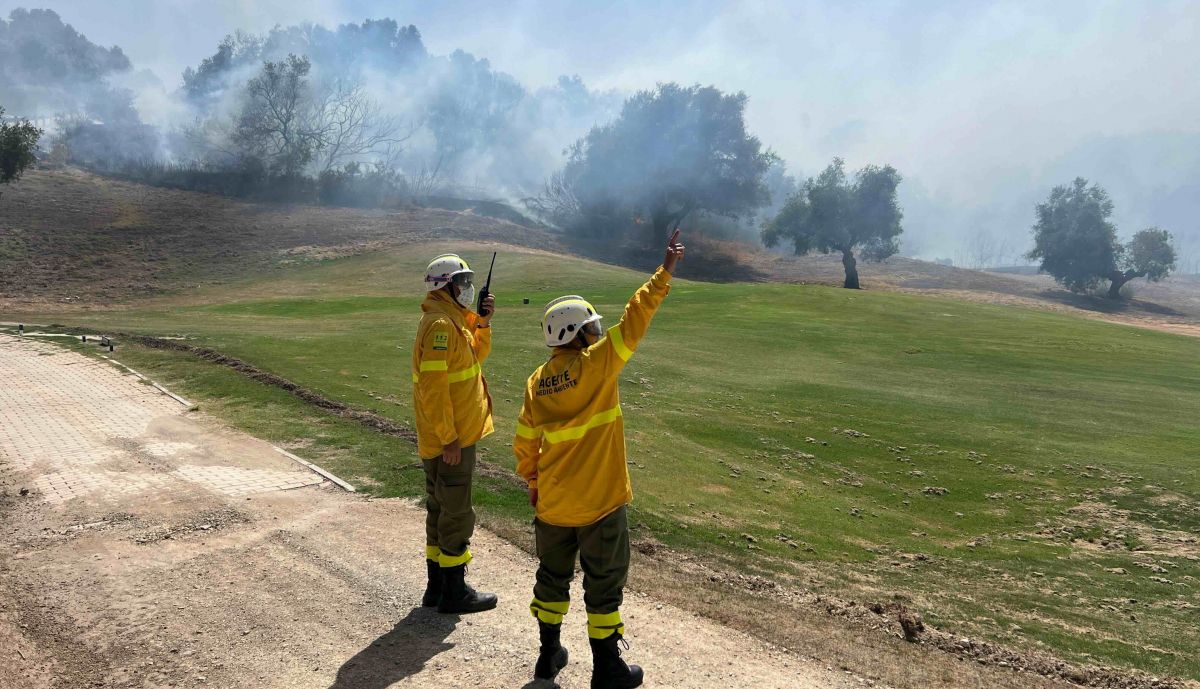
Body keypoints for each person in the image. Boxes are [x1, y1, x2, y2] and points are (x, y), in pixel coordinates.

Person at [514, 230, 686, 688]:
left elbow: (525, 442)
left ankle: (548, 655)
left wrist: (532, 481)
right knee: (603, 584)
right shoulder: (597, 365)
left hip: (552, 505)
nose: (596, 333)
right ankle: (606, 668)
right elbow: (634, 319)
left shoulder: (536, 381)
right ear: (575, 333)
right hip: (600, 505)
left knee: (552, 579)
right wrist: (663, 273)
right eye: (590, 328)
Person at [411, 252, 498, 614]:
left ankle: (436, 588)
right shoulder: (442, 326)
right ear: (446, 286)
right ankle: (454, 591)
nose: (467, 287)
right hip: (451, 440)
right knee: (456, 512)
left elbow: (473, 359)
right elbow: (434, 388)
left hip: (448, 437)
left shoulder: (450, 320)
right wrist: (449, 437)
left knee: (439, 509)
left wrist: (484, 323)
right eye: (461, 282)